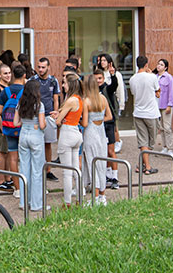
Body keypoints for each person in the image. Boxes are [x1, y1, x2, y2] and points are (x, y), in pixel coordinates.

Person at [51, 74, 85, 206]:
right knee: (76, 168)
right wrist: (59, 114)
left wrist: (57, 118)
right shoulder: (79, 99)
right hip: (76, 133)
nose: (63, 86)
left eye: (64, 83)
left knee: (67, 172)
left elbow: (59, 121)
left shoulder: (70, 100)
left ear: (70, 84)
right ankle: (79, 199)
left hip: (67, 134)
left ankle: (67, 202)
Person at [80, 69, 112, 205]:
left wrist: (79, 121)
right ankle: (102, 196)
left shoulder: (86, 101)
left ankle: (95, 197)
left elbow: (85, 123)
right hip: (101, 133)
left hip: (90, 134)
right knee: (101, 164)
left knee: (92, 163)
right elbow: (109, 116)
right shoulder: (103, 98)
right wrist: (99, 120)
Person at [15, 80, 47, 212]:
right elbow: (42, 125)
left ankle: (24, 202)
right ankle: (36, 204)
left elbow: (16, 122)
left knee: (24, 169)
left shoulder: (20, 103)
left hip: (23, 135)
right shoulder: (39, 105)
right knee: (37, 171)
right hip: (36, 136)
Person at [27, 58, 62, 178]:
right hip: (35, 117)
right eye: (39, 67)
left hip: (48, 115)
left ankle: (48, 170)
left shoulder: (53, 81)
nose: (41, 70)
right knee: (36, 144)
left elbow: (56, 98)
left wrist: (55, 113)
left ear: (48, 67)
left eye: (43, 67)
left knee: (48, 144)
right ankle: (36, 169)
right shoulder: (33, 80)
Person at [97, 54, 126, 187]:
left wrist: (113, 75)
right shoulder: (92, 91)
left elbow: (114, 86)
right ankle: (107, 174)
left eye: (100, 78)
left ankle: (114, 177)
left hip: (108, 122)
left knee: (110, 150)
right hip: (98, 124)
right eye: (96, 78)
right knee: (102, 151)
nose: (98, 81)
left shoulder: (107, 87)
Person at [0, 64, 26, 196]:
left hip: (9, 129)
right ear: (24, 76)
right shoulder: (26, 91)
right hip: (23, 128)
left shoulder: (5, 91)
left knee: (12, 158)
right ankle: (27, 186)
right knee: (25, 158)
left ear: (13, 75)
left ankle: (18, 189)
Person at [129, 56, 160, 175]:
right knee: (150, 142)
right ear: (146, 64)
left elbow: (133, 93)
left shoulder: (132, 79)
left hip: (138, 112)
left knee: (143, 141)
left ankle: (141, 164)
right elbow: (158, 90)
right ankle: (147, 167)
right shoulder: (152, 77)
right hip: (151, 113)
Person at [155, 58, 173, 150]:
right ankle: (164, 146)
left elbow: (172, 92)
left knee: (167, 127)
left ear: (166, 67)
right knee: (161, 128)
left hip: (165, 105)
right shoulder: (155, 77)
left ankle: (170, 147)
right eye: (158, 64)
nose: (159, 66)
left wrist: (170, 105)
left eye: (161, 64)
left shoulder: (168, 78)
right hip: (157, 105)